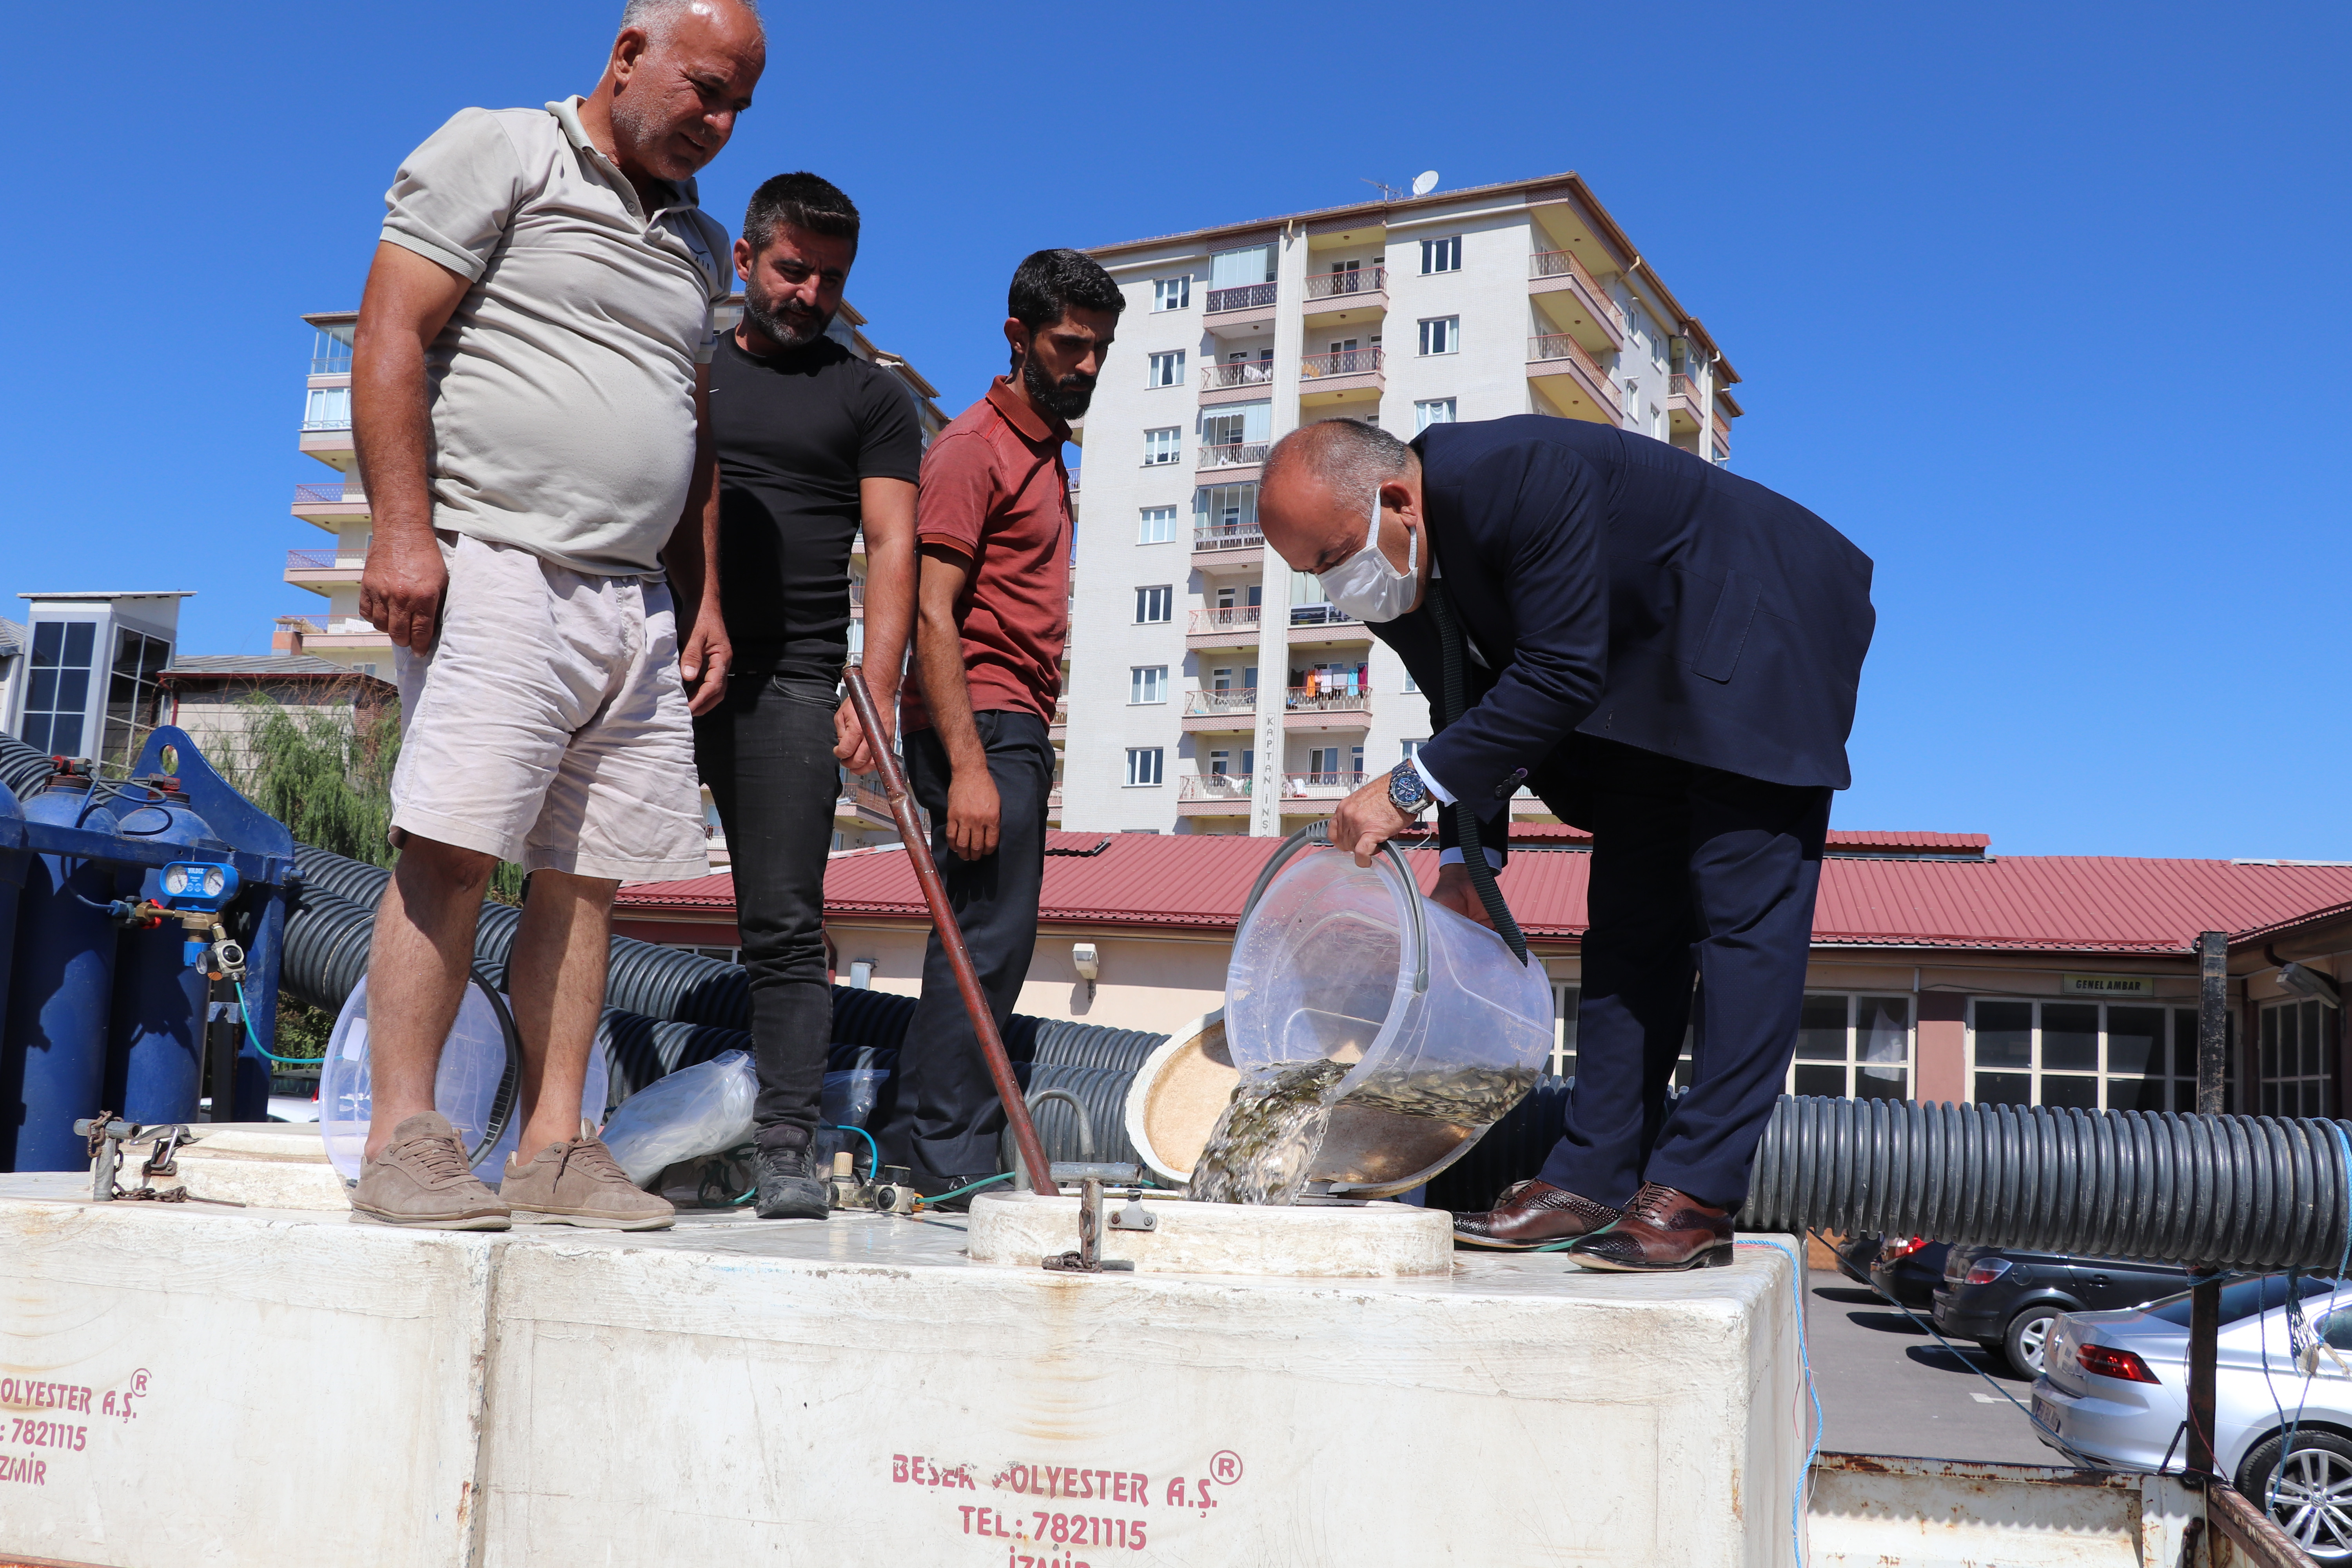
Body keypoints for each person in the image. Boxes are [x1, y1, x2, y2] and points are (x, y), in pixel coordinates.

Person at [1257, 416, 1874, 1270]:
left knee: (1742, 926)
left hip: (1756, 624)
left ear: (1396, 499)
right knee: (1627, 924)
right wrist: (1472, 860)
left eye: (1328, 559)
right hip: (1641, 679)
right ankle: (1590, 1174)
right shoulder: (1393, 568)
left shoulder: (1516, 474)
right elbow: (1462, 705)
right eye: (1309, 573)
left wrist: (1405, 792)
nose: (1332, 587)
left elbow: (1558, 671)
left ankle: (1695, 1194)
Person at [347, 0, 765, 1230]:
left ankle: (553, 1147)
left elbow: (690, 437)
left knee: (590, 885)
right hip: (497, 563)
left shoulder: (699, 245)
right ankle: (404, 1142)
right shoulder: (503, 149)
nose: (720, 122)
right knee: (454, 846)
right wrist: (400, 531)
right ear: (628, 54)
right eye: (704, 88)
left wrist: (702, 604)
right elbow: (391, 328)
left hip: (631, 602)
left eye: (740, 103)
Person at [873, 250, 1123, 1205]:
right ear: (1018, 336)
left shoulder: (1042, 454)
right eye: (1071, 345)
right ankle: (952, 1169)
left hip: (1012, 720)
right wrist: (970, 766)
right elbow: (934, 611)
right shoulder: (974, 448)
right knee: (983, 941)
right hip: (979, 718)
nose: (1087, 365)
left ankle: (914, 1145)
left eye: (1100, 349)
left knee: (984, 942)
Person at [693, 172, 921, 1219]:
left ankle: (789, 1144)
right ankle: (565, 1122)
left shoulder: (869, 396)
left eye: (831, 279)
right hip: (661, 663)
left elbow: (893, 543)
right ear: (745, 261)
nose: (810, 293)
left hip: (790, 682)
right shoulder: (690, 370)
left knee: (783, 922)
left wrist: (872, 684)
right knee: (579, 883)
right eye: (793, 270)